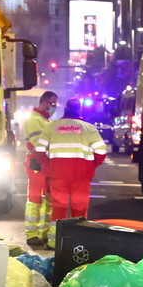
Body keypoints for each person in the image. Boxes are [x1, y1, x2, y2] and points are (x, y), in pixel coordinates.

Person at [33, 98, 108, 249]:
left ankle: (55, 242)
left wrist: (46, 164)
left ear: (65, 109)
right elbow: (101, 152)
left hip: (57, 175)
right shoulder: (88, 128)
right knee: (79, 210)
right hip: (81, 175)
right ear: (79, 110)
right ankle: (76, 243)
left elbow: (39, 150)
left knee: (58, 208)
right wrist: (91, 165)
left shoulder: (52, 127)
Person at [22, 91, 58, 248]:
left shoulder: (45, 120)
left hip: (46, 165)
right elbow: (39, 144)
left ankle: (43, 233)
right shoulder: (34, 120)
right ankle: (32, 234)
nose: (54, 107)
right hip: (36, 164)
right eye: (53, 104)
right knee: (35, 199)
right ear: (45, 103)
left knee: (47, 200)